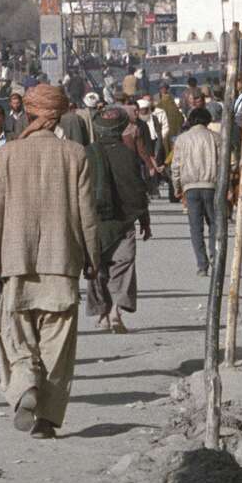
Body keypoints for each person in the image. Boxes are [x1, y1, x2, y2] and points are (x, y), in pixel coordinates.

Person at [0, 83, 102, 440]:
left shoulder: (7, 154)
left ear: (32, 114)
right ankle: (47, 420)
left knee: (16, 334)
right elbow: (87, 214)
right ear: (57, 116)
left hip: (17, 260)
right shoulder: (75, 154)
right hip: (62, 261)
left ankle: (25, 386)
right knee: (57, 343)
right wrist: (92, 258)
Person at [84, 106, 149, 334]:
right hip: (123, 223)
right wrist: (145, 220)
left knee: (96, 269)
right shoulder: (128, 155)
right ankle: (115, 313)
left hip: (93, 224)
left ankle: (103, 312)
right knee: (124, 266)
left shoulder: (86, 153)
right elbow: (137, 190)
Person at [171, 107, 221, 276]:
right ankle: (215, 256)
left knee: (195, 228)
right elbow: (228, 163)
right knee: (214, 224)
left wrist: (177, 188)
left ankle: (202, 265)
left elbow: (175, 166)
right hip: (211, 187)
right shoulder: (216, 138)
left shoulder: (182, 140)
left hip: (190, 188)